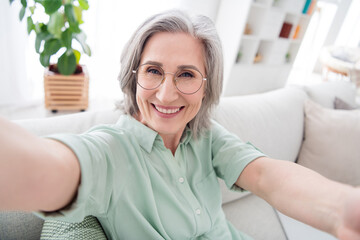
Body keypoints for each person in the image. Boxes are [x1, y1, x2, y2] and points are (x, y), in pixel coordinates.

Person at [1, 10, 360, 240]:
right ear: (133, 77)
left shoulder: (205, 135)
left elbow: (267, 176)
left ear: (207, 87)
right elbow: (39, 167)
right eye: (153, 71)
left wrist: (345, 209)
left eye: (187, 75)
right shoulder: (109, 152)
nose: (167, 93)